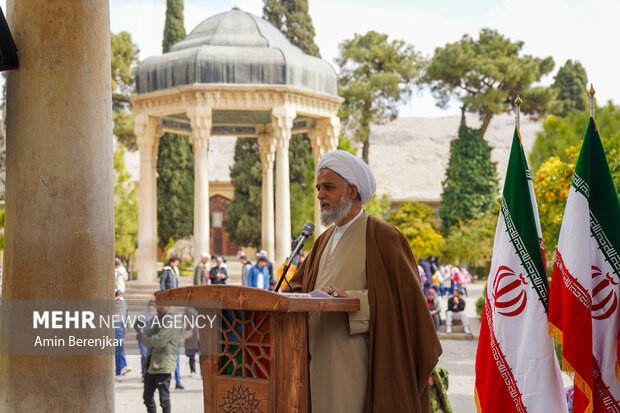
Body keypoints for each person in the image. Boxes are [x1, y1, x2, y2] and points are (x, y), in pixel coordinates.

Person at [287, 149, 441, 413]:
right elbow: (299, 290)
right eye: (318, 188)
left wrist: (355, 301)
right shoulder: (323, 240)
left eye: (328, 187)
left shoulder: (383, 235)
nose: (320, 195)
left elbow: (408, 304)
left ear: (352, 191)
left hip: (359, 369)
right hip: (314, 365)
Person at [142, 299, 182, 413]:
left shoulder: (172, 317)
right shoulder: (157, 316)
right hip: (151, 363)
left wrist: (149, 339)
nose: (155, 304)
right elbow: (145, 334)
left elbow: (161, 340)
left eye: (157, 302)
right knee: (147, 397)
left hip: (164, 363)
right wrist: (149, 338)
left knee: (164, 400)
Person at [135, 300, 157, 380]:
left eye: (152, 305)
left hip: (153, 339)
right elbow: (136, 325)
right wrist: (139, 329)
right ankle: (144, 374)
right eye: (149, 305)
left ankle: (151, 373)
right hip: (143, 338)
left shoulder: (156, 316)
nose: (150, 307)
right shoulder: (142, 315)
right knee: (144, 355)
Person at [114, 297, 131, 380]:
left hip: (119, 335)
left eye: (118, 304)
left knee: (120, 352)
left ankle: (119, 372)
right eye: (116, 303)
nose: (117, 305)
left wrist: (125, 333)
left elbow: (124, 326)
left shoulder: (121, 314)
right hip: (112, 336)